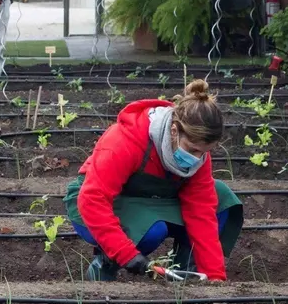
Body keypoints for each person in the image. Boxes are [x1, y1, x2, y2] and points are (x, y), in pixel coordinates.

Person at [63, 80, 243, 281]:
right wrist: (126, 254)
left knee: (221, 198)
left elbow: (201, 212)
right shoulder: (125, 140)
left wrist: (214, 277)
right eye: (192, 149)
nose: (197, 157)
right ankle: (106, 263)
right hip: (95, 203)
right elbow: (92, 200)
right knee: (152, 229)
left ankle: (188, 273)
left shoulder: (198, 157)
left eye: (205, 152)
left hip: (151, 200)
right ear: (174, 131)